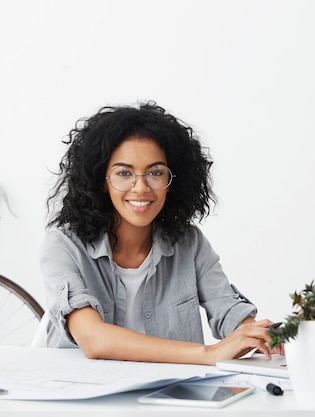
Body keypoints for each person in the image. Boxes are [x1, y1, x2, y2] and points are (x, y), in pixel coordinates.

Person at [40, 101, 281, 365]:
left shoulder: (189, 244)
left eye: (155, 172)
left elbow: (228, 310)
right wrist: (210, 353)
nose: (141, 188)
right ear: (102, 181)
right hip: (83, 394)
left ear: (172, 181)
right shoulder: (63, 244)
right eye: (124, 173)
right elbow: (94, 339)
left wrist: (260, 336)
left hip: (166, 396)